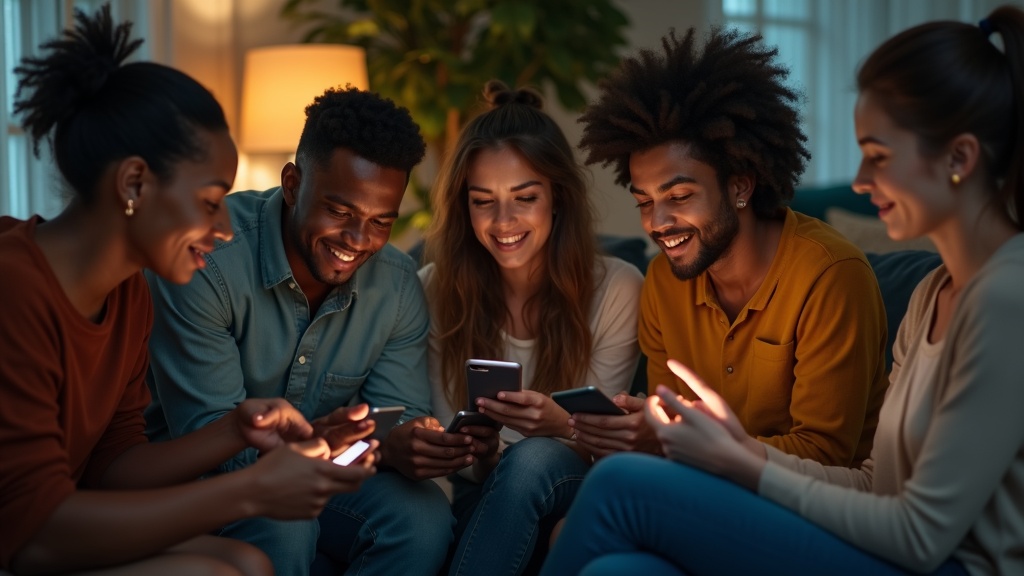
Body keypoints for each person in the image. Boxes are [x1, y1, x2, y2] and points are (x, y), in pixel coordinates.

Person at [543, 6, 1024, 575]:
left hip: (947, 567)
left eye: (879, 156)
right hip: (881, 541)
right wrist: (737, 450)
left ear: (960, 158)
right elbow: (877, 485)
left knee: (624, 484)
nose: (862, 181)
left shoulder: (1005, 299)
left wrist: (745, 465)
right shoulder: (932, 296)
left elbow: (919, 535)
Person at [0, 5, 377, 575]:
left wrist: (235, 430)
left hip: (45, 529)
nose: (225, 228)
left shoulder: (129, 293)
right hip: (28, 537)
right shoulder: (16, 288)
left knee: (249, 562)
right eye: (208, 202)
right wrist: (252, 492)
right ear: (134, 183)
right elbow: (33, 530)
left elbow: (113, 465)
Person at [143, 86, 456, 575]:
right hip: (201, 480)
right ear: (292, 184)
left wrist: (403, 444)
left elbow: (392, 418)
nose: (358, 241)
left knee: (422, 516)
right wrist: (316, 449)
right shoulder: (207, 262)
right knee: (284, 517)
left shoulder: (397, 286)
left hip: (321, 471)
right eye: (340, 211)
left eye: (380, 222)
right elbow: (213, 440)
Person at [569, 26, 889, 467]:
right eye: (645, 202)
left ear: (740, 185)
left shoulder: (831, 276)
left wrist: (683, 440)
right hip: (708, 491)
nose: (657, 224)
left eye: (679, 197)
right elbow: (671, 423)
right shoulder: (664, 280)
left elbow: (825, 456)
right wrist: (647, 431)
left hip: (814, 511)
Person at [418, 80, 644, 575]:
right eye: (483, 201)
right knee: (517, 469)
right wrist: (471, 452)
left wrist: (557, 426)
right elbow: (450, 450)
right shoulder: (434, 289)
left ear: (557, 197)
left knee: (536, 459)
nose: (504, 221)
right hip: (481, 500)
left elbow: (601, 445)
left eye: (524, 197)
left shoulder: (618, 288)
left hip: (574, 487)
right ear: (464, 206)